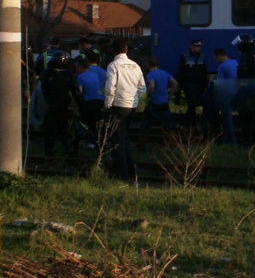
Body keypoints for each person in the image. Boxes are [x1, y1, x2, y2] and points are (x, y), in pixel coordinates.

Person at [103, 38, 146, 182]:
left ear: (113, 50)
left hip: (118, 106)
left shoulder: (113, 65)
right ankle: (132, 168)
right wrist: (135, 101)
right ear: (126, 50)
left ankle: (123, 173)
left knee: (117, 141)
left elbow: (110, 88)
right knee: (124, 137)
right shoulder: (135, 66)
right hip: (132, 107)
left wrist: (108, 105)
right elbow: (142, 88)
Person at [38, 50, 77, 157]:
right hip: (63, 105)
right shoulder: (68, 74)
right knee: (62, 128)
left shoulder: (47, 73)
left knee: (49, 129)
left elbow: (42, 89)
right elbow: (75, 90)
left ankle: (49, 151)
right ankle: (68, 148)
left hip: (49, 105)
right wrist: (79, 103)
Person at [233, 34, 255, 147]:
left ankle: (248, 141)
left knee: (246, 118)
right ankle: (253, 139)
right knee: (252, 118)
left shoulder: (245, 57)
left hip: (247, 92)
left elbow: (242, 75)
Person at [174, 39, 208, 127]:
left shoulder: (202, 56)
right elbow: (180, 71)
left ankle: (187, 122)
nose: (199, 48)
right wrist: (179, 84)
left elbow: (204, 71)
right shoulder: (184, 56)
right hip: (187, 83)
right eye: (197, 46)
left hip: (198, 84)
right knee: (192, 103)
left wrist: (204, 84)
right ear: (192, 47)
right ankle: (190, 122)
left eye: (200, 47)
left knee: (195, 103)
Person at [74, 55, 104, 151]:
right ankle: (100, 149)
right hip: (98, 103)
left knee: (81, 125)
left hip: (87, 104)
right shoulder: (94, 75)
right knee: (95, 127)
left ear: (80, 67)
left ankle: (74, 147)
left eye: (76, 67)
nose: (76, 69)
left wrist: (77, 107)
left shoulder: (80, 77)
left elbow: (80, 93)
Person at [143, 57, 178, 131]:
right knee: (168, 125)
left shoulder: (150, 75)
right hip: (164, 102)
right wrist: (169, 96)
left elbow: (151, 86)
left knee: (145, 126)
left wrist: (148, 96)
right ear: (158, 64)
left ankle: (142, 142)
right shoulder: (164, 73)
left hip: (154, 103)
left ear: (148, 65)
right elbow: (175, 83)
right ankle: (169, 141)